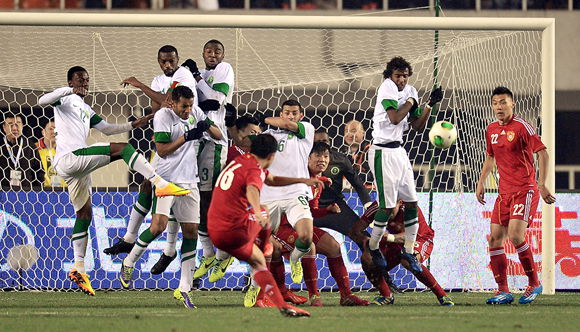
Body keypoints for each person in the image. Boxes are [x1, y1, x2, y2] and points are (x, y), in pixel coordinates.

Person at [38, 66, 189, 297]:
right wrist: (67, 91)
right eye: (80, 80)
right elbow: (42, 100)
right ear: (70, 81)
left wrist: (134, 124)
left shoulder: (85, 108)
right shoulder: (64, 101)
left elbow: (107, 129)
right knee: (124, 148)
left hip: (76, 169)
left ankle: (79, 269)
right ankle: (159, 182)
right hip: (70, 158)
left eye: (86, 80)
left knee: (84, 214)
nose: (84, 84)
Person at [119, 86, 221, 308]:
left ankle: (184, 288)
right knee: (158, 227)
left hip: (190, 182)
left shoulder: (195, 113)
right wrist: (187, 136)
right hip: (165, 180)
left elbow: (219, 135)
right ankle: (129, 262)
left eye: (190, 105)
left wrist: (207, 127)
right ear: (173, 103)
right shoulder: (163, 116)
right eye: (184, 106)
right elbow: (163, 150)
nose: (188, 110)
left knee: (192, 232)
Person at [104, 45, 207, 264]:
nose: (168, 65)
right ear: (158, 61)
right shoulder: (158, 80)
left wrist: (139, 85)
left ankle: (168, 249)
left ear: (177, 59)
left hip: (187, 137)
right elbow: (158, 106)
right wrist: (153, 116)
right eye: (163, 61)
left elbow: (167, 102)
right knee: (148, 183)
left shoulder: (183, 74)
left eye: (171, 60)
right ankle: (131, 239)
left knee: (169, 190)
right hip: (166, 134)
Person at [207, 133, 315, 317]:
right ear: (272, 156)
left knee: (259, 263)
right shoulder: (254, 169)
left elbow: (271, 180)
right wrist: (257, 212)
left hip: (215, 230)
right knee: (265, 212)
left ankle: (283, 306)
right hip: (234, 230)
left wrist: (302, 180)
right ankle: (264, 245)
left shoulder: (242, 160)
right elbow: (252, 189)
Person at [476, 86, 556, 305]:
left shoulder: (522, 127)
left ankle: (534, 282)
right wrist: (481, 182)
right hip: (504, 193)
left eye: (503, 102)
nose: (499, 107)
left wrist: (541, 184)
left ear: (513, 104)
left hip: (524, 190)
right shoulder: (491, 129)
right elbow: (490, 158)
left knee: (515, 235)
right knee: (494, 239)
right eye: (495, 103)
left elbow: (543, 153)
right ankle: (503, 290)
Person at [266, 142, 369, 307]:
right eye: (318, 156)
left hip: (300, 226)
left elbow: (310, 212)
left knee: (334, 247)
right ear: (307, 158)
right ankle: (314, 296)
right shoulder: (296, 177)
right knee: (309, 247)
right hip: (281, 227)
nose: (322, 160)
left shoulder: (317, 184)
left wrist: (327, 210)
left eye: (326, 156)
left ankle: (346, 295)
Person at [367, 56, 443, 275]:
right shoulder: (387, 88)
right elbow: (394, 118)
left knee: (411, 202)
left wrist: (429, 105)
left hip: (399, 151)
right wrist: (411, 102)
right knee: (388, 207)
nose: (401, 80)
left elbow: (417, 126)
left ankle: (409, 250)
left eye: (405, 76)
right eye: (398, 75)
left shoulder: (411, 90)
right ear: (390, 76)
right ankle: (373, 248)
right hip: (381, 151)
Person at [176, 39, 236, 281]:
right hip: (198, 140)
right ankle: (208, 252)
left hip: (215, 142)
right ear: (203, 53)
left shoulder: (224, 69)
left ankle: (223, 254)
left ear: (223, 54)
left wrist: (198, 78)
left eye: (217, 51)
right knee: (196, 199)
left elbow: (215, 99)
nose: (213, 55)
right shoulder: (197, 75)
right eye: (209, 51)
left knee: (210, 199)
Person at [350, 200, 454, 306]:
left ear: (399, 203)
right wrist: (365, 240)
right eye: (384, 209)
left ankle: (442, 295)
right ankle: (386, 296)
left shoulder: (410, 208)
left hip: (420, 239)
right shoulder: (376, 207)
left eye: (390, 208)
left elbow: (410, 235)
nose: (387, 212)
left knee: (407, 260)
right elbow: (355, 231)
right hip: (394, 241)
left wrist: (388, 237)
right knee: (367, 259)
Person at [259, 99, 315, 284]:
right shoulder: (267, 136)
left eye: (294, 113)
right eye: (287, 112)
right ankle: (255, 286)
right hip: (269, 194)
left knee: (306, 237)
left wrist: (264, 118)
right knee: (261, 243)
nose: (290, 116)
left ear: (301, 116)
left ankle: (295, 258)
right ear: (281, 113)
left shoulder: (306, 130)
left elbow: (286, 125)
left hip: (295, 192)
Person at [313, 128, 371, 247]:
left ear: (330, 142)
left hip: (335, 207)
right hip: (309, 209)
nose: (322, 144)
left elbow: (358, 185)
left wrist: (368, 205)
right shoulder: (302, 159)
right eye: (318, 142)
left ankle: (376, 264)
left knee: (364, 238)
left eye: (325, 141)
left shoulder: (340, 160)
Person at [1, 114, 41, 190]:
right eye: (10, 124)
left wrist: (36, 192)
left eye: (18, 124)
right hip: (2, 192)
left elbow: (39, 171)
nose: (15, 128)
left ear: (22, 125)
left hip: (26, 193)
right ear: (4, 127)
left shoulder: (30, 146)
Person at [37, 120, 66, 187]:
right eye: (50, 129)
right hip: (42, 192)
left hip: (64, 192)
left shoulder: (65, 151)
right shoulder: (35, 149)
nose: (53, 132)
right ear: (43, 132)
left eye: (56, 129)